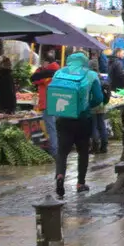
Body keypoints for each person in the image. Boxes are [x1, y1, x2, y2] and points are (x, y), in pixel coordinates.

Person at [44, 50, 105, 196]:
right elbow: (98, 98)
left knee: (62, 151)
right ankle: (80, 183)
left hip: (63, 118)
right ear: (84, 62)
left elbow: (51, 92)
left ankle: (60, 176)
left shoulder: (59, 73)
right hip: (83, 119)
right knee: (83, 151)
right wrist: (86, 105)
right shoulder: (90, 75)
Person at [31, 51, 61, 149]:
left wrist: (40, 69)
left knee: (51, 129)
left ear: (47, 63)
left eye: (43, 62)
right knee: (57, 128)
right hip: (58, 103)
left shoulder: (45, 73)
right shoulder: (59, 72)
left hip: (47, 104)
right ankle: (60, 150)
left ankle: (55, 152)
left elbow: (34, 79)